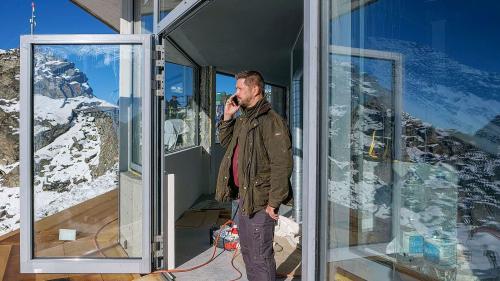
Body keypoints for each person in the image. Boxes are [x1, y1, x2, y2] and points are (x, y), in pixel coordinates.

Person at [215, 70, 293, 281]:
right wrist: (228, 116)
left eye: (240, 88)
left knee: (260, 257)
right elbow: (225, 142)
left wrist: (273, 203)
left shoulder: (271, 121)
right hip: (245, 198)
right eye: (236, 89)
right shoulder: (243, 120)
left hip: (261, 202)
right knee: (248, 252)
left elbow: (282, 164)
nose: (236, 93)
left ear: (255, 89)